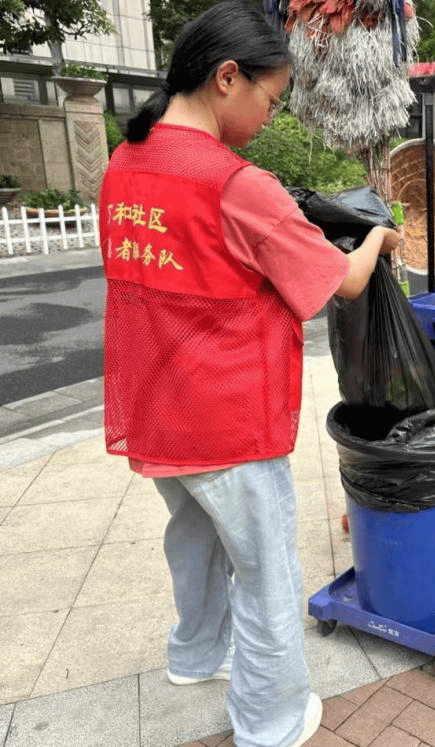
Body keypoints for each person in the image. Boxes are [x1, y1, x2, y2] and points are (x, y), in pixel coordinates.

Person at [98, 3, 399, 746]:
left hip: (157, 406)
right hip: (228, 415)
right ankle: (271, 718)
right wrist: (380, 239)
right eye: (270, 97)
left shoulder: (124, 162)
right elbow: (344, 282)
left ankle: (196, 655)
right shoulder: (235, 182)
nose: (271, 115)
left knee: (193, 539)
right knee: (266, 574)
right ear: (226, 78)